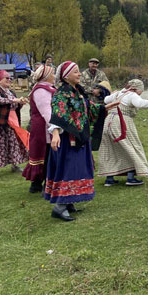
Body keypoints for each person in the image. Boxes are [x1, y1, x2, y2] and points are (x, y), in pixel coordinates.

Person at [45, 61, 109, 221]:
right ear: (66, 76)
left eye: (79, 71)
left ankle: (69, 201)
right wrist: (56, 134)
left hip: (80, 137)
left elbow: (87, 108)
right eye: (76, 72)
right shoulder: (61, 93)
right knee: (69, 169)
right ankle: (60, 206)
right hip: (68, 140)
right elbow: (58, 114)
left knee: (78, 169)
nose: (79, 74)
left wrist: (104, 108)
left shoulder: (77, 92)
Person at [97, 79, 148, 186]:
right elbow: (141, 103)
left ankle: (109, 179)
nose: (140, 93)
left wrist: (113, 94)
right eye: (141, 90)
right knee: (131, 147)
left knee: (111, 149)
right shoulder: (132, 95)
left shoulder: (119, 93)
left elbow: (107, 99)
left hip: (108, 122)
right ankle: (130, 178)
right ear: (138, 88)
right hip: (121, 123)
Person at [0, 70, 29, 179]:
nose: (9, 80)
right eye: (6, 78)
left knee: (13, 144)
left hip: (11, 123)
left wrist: (20, 103)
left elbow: (13, 106)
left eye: (10, 78)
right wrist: (14, 100)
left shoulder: (10, 92)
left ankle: (15, 165)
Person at [23, 65, 56, 193]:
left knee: (44, 154)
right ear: (46, 76)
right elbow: (46, 112)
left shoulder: (46, 88)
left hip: (43, 126)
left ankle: (38, 185)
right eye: (52, 73)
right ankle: (44, 185)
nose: (54, 76)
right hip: (43, 127)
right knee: (45, 154)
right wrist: (54, 127)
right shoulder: (41, 90)